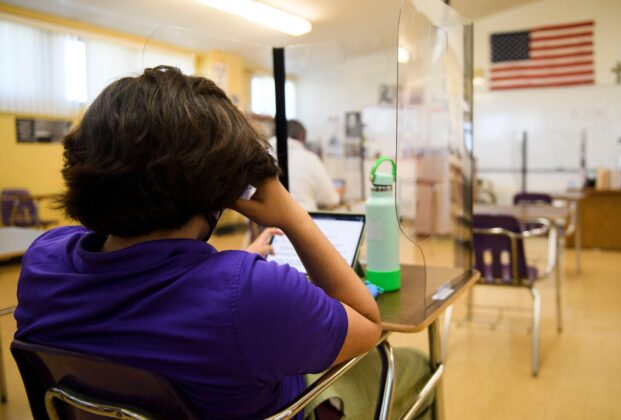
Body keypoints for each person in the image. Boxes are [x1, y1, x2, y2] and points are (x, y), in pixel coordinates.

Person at [14, 66, 430, 419]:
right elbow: (368, 322)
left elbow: (150, 279)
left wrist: (229, 269)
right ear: (220, 190)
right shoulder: (249, 296)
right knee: (415, 367)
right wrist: (291, 214)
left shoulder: (43, 263)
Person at [270, 120, 341, 210]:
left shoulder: (264, 156)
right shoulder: (309, 159)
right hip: (303, 218)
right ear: (301, 136)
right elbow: (330, 199)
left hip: (268, 221)